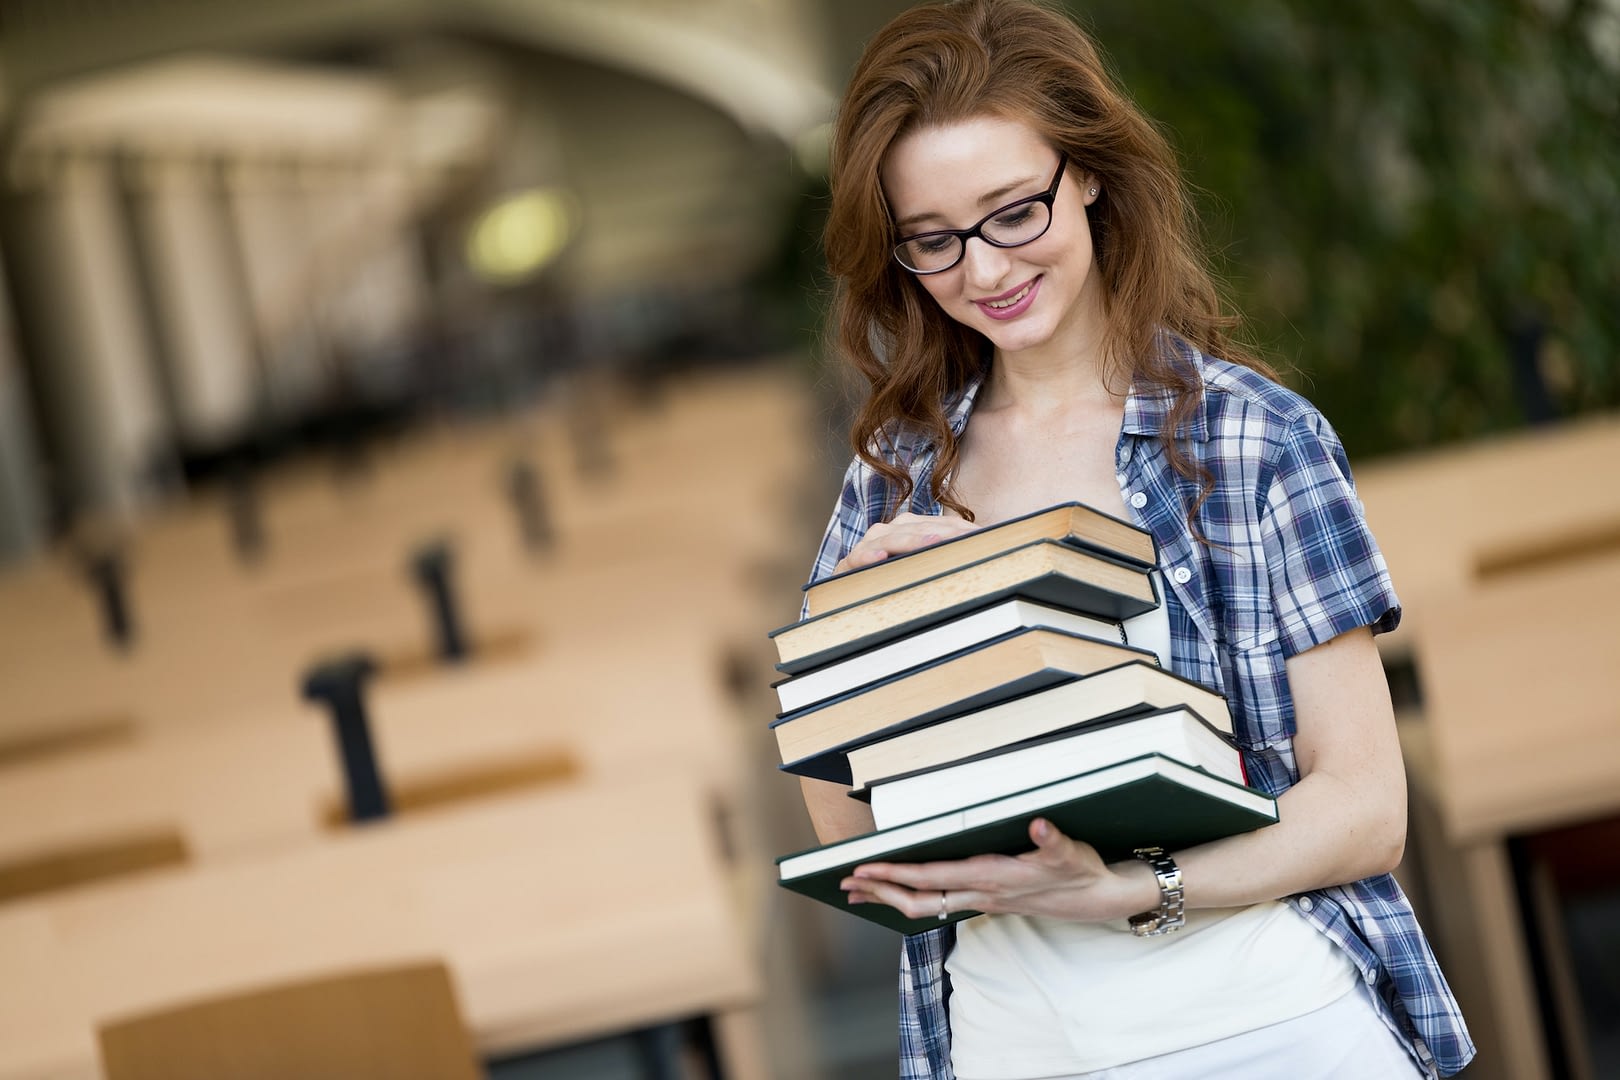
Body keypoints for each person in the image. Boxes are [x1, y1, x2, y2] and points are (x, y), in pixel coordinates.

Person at [796, 1, 1475, 1077]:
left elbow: (1363, 808)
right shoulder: (895, 472)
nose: (982, 270)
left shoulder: (1255, 440)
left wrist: (1134, 883)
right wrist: (864, 643)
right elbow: (848, 835)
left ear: (1091, 176)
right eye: (933, 239)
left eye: (1014, 212)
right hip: (1009, 1036)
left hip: (1254, 1018)